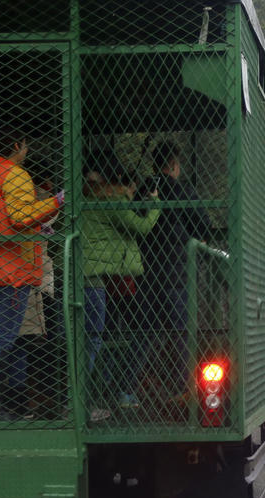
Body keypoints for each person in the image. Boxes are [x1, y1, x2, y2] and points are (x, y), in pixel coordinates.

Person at [0, 132, 64, 420]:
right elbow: (21, 216)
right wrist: (56, 202)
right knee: (3, 339)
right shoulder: (15, 174)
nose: (27, 149)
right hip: (12, 269)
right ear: (16, 147)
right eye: (26, 144)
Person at [79, 149, 159, 415]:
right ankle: (90, 398)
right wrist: (156, 204)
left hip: (91, 274)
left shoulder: (83, 199)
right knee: (95, 338)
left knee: (97, 336)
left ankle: (95, 393)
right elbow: (142, 227)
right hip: (101, 276)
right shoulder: (111, 201)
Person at [138, 141, 212, 404]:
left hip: (144, 273)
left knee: (144, 331)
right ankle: (181, 385)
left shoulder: (143, 189)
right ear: (173, 166)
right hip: (177, 271)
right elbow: (202, 225)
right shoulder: (182, 190)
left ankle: (129, 384)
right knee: (181, 330)